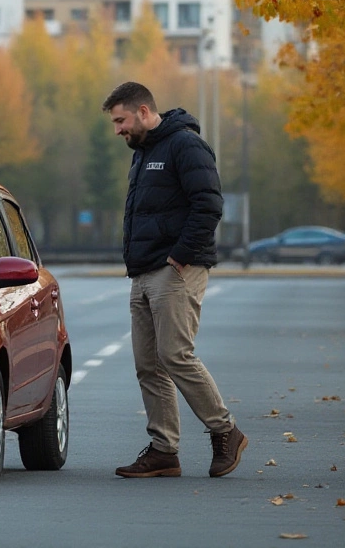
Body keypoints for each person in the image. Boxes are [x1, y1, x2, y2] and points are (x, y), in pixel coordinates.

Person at [102, 81, 248, 479]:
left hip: (175, 269)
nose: (117, 130)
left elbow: (209, 204)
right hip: (145, 271)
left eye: (121, 120)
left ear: (145, 111)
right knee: (148, 365)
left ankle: (225, 430)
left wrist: (180, 256)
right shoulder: (145, 151)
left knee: (175, 354)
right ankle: (165, 450)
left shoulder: (185, 145)